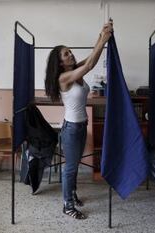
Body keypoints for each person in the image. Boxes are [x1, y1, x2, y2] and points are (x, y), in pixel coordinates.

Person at [44, 20, 113, 219]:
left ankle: (72, 195)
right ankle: (67, 205)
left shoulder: (75, 71)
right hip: (72, 129)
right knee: (71, 167)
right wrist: (105, 38)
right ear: (60, 62)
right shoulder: (63, 78)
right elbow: (90, 63)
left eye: (70, 51)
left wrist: (101, 36)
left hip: (81, 126)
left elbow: (92, 57)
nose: (71, 54)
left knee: (74, 165)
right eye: (66, 54)